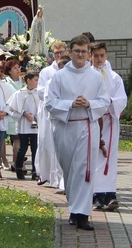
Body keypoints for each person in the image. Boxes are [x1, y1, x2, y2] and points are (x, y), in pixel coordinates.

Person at [46, 35, 110, 231]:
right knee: (70, 171)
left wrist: (89, 104)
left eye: (84, 52)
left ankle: (82, 215)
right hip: (65, 127)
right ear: (70, 52)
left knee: (84, 170)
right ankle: (74, 209)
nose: (80, 55)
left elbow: (105, 101)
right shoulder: (59, 76)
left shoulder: (95, 76)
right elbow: (50, 103)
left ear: (87, 53)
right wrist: (70, 104)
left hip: (86, 126)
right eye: (77, 51)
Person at [91, 41, 128, 211]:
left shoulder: (114, 77)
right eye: (96, 55)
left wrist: (108, 103)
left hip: (109, 120)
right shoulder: (87, 75)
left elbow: (122, 99)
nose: (99, 59)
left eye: (102, 55)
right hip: (91, 121)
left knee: (109, 158)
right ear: (90, 56)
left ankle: (109, 194)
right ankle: (95, 195)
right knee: (93, 157)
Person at [34, 41, 68, 187]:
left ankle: (60, 179)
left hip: (64, 111)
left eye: (61, 52)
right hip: (48, 111)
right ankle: (45, 174)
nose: (59, 55)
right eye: (56, 53)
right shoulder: (46, 71)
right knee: (46, 143)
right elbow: (40, 91)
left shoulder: (70, 69)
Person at [7, 72, 40, 180]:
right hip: (24, 125)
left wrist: (38, 116)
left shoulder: (38, 93)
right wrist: (23, 113)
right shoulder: (19, 94)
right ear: (28, 80)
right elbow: (11, 108)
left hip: (36, 126)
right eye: (35, 80)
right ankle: (19, 167)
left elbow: (42, 107)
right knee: (23, 148)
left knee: (35, 148)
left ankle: (35, 171)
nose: (37, 82)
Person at [3, 59, 25, 171]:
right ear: (10, 71)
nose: (18, 70)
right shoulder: (5, 82)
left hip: (22, 114)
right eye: (15, 68)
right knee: (13, 138)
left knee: (19, 139)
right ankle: (6, 160)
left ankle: (16, 162)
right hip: (10, 114)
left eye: (19, 67)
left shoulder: (24, 81)